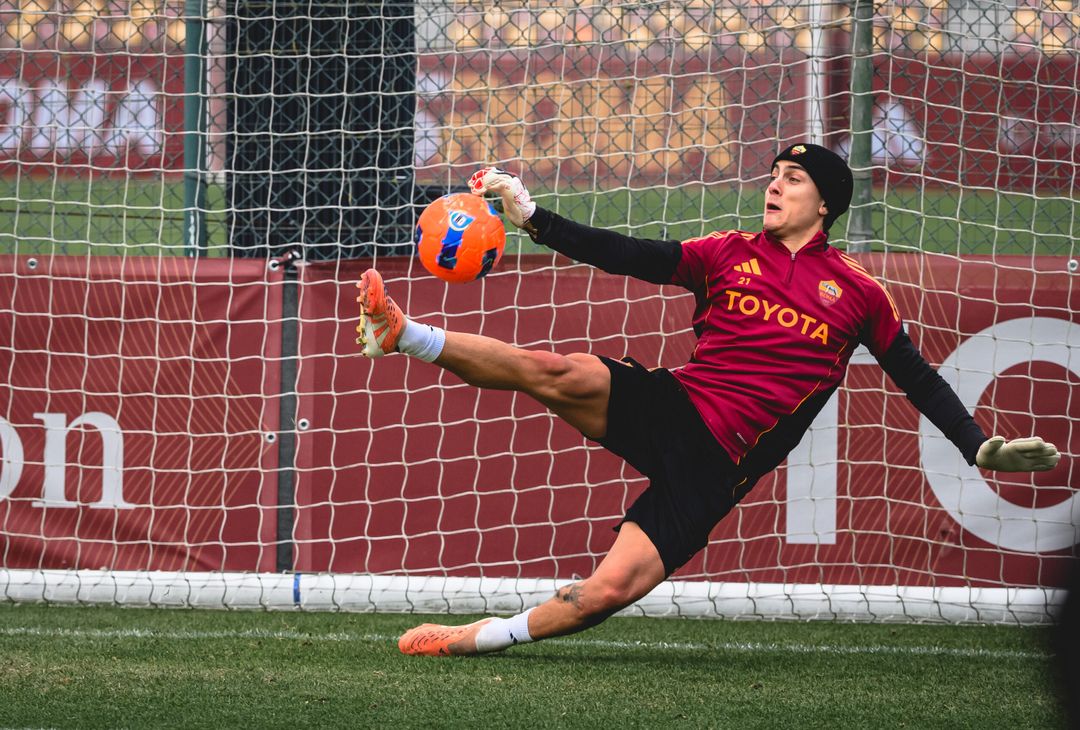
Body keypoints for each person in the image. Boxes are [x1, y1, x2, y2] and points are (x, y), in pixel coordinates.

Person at [355, 143, 1061, 657]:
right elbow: (628, 254)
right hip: (676, 404)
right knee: (558, 371)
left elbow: (920, 378)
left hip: (716, 467)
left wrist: (979, 446)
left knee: (605, 594)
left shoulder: (860, 295)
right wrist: (535, 217)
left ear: (825, 202)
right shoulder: (726, 252)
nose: (775, 187)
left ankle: (472, 640)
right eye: (774, 176)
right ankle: (404, 332)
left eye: (793, 179)